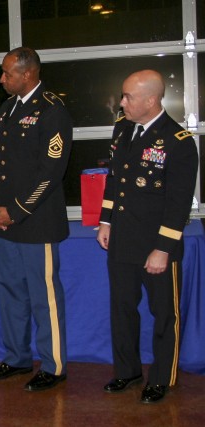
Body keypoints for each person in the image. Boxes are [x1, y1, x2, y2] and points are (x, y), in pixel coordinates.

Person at [97, 70, 197, 404]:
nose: (122, 102)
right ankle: (127, 371)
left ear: (151, 100)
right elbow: (115, 180)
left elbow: (178, 204)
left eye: (128, 97)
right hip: (122, 240)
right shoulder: (123, 129)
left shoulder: (178, 141)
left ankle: (161, 378)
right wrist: (106, 221)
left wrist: (163, 249)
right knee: (122, 310)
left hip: (156, 246)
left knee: (164, 315)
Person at [0, 47, 72, 391]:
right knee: (10, 293)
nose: (2, 79)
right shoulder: (7, 110)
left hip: (36, 223)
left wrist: (15, 211)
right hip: (5, 224)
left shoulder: (52, 110)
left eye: (8, 73)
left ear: (29, 74)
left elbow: (51, 172)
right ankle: (17, 357)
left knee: (43, 296)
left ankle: (54, 365)